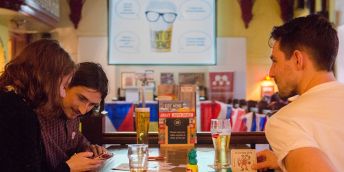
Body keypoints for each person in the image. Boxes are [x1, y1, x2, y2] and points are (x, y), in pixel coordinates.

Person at [253, 14, 344, 171]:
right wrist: (287, 161)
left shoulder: (286, 121)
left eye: (275, 61)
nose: (271, 72)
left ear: (297, 59)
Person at [0, 39, 75, 171]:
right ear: (47, 79)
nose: (63, 94)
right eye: (64, 86)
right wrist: (68, 167)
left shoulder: (10, 100)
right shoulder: (19, 113)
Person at [38, 62, 109, 172]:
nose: (83, 110)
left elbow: (76, 140)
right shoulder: (34, 117)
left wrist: (90, 149)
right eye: (81, 98)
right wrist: (69, 168)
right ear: (64, 86)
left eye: (92, 105)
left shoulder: (72, 115)